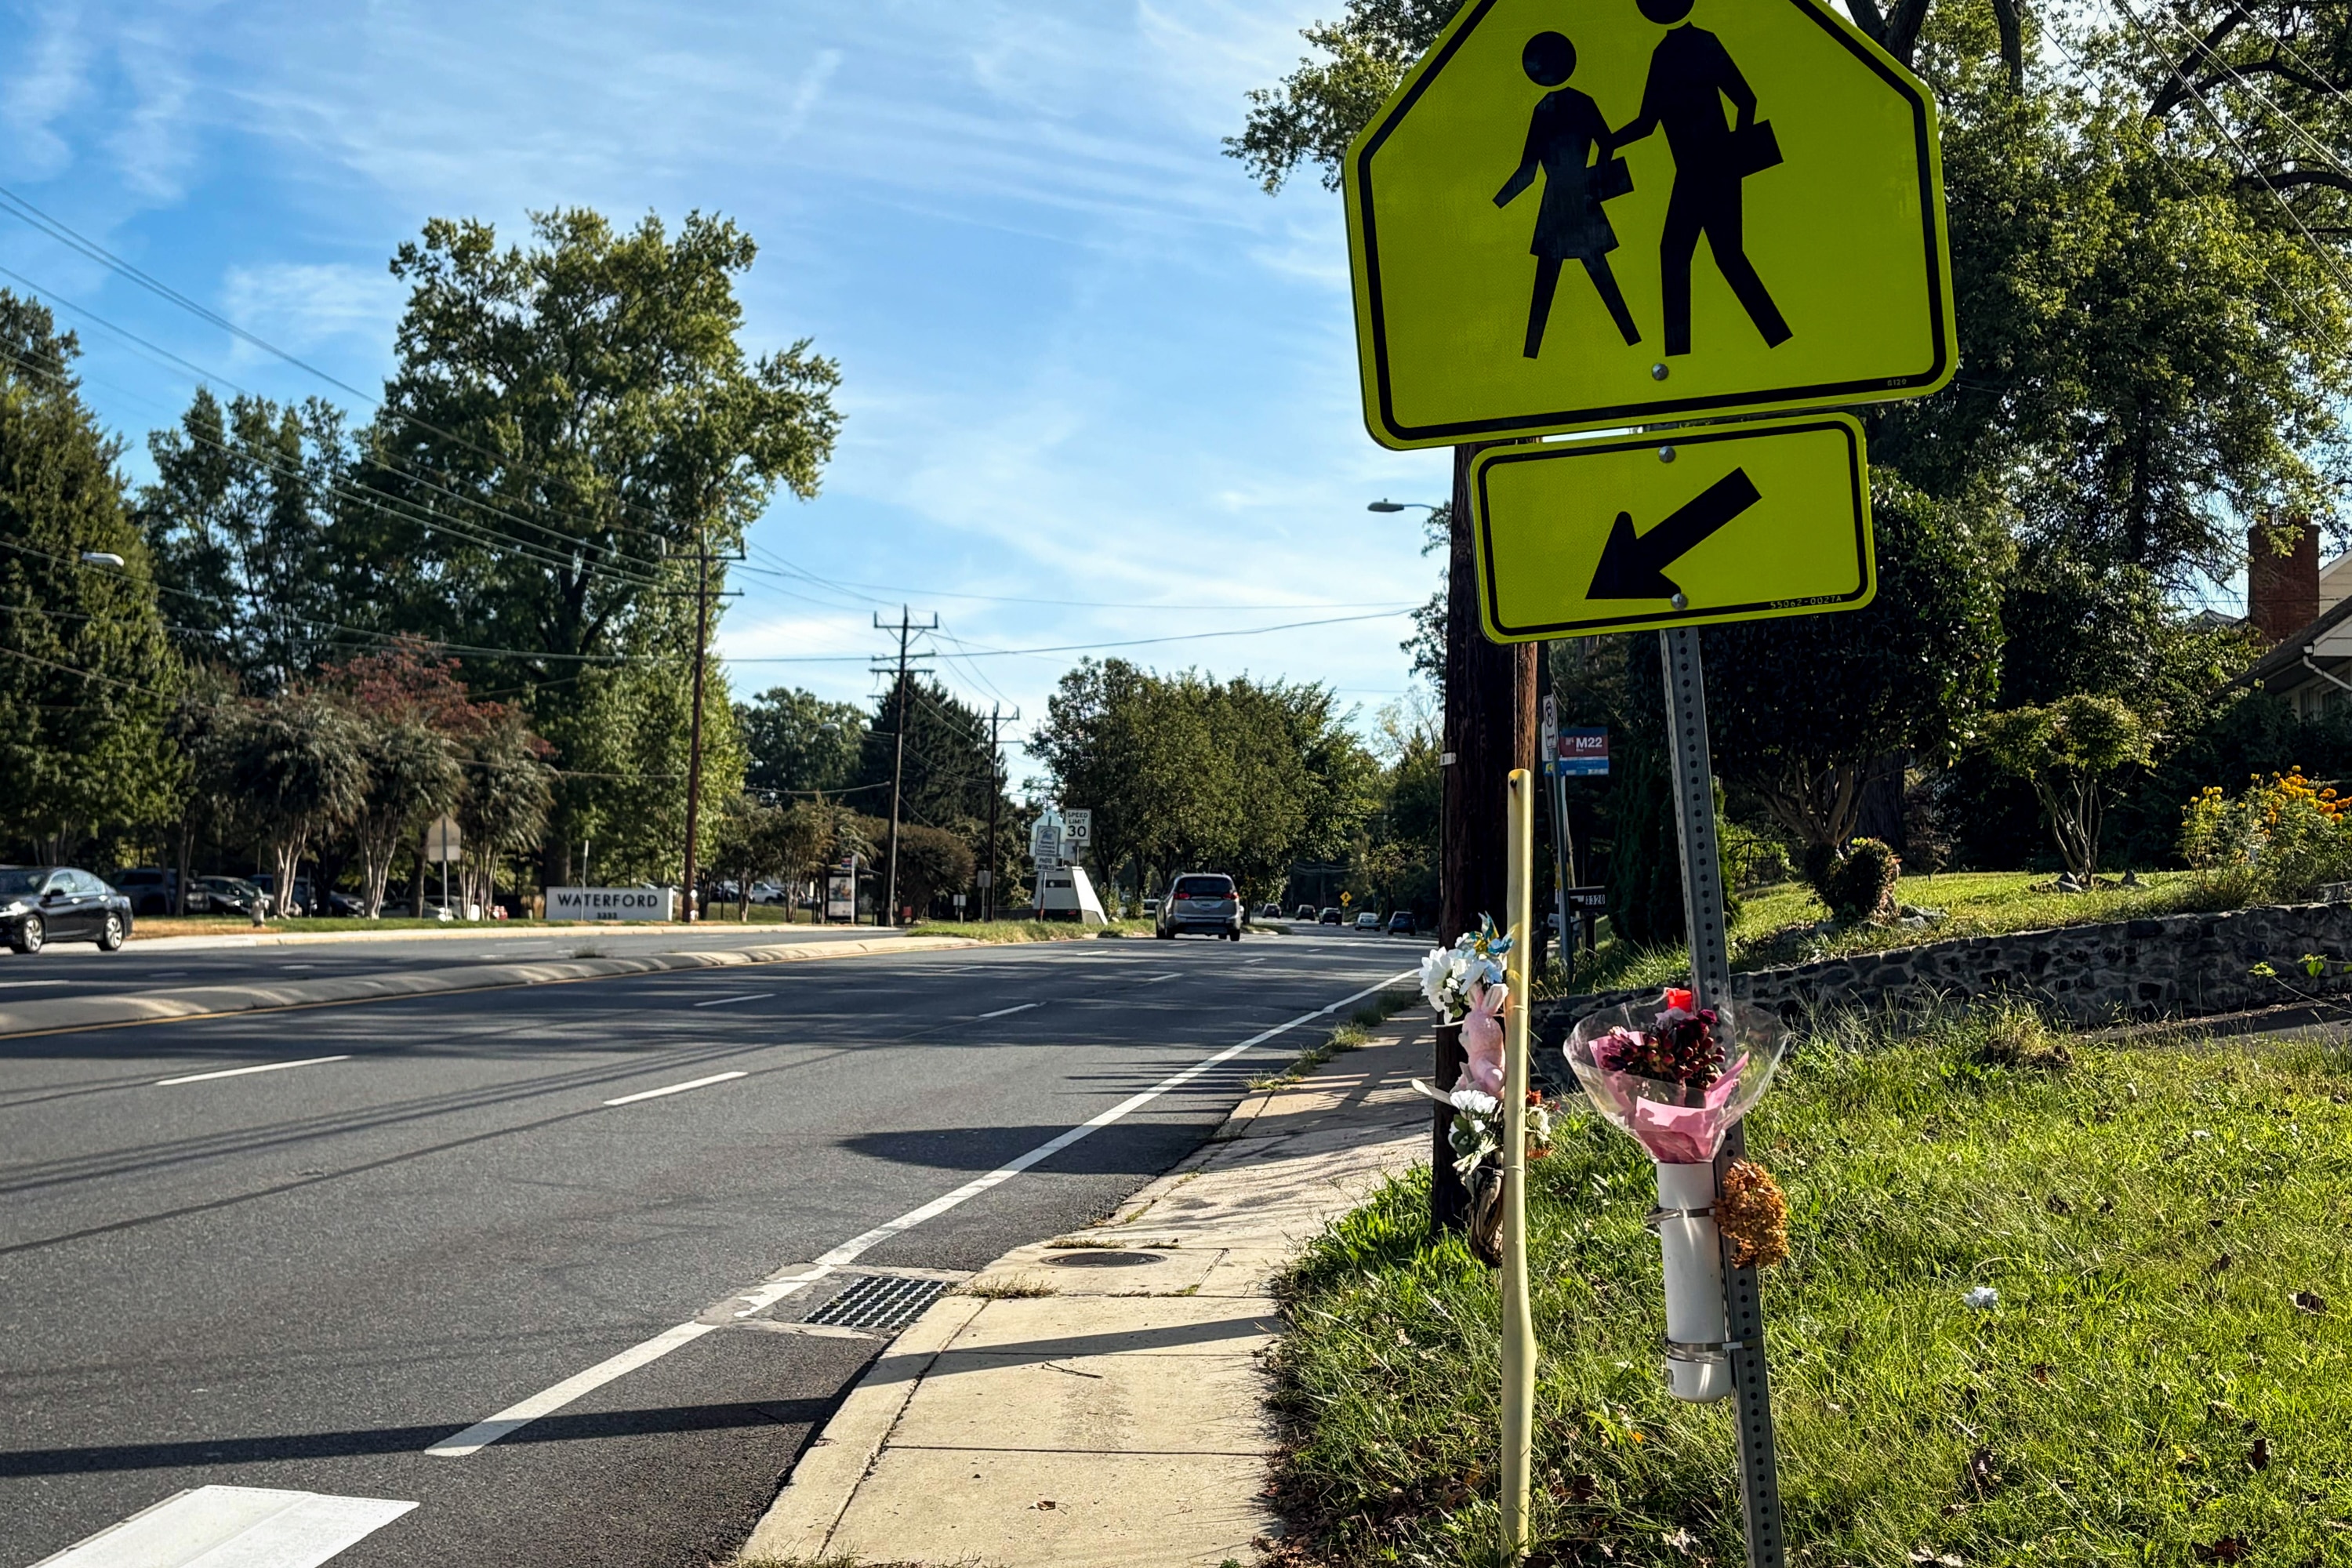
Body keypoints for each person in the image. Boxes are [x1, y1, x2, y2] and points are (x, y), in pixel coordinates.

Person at [1613, 0, 1791, 357]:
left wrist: (1735, 153)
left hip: (1709, 170)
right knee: (1707, 255)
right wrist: (1610, 141)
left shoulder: (1687, 48)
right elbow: (1649, 122)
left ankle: (1770, 340)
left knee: (1700, 255)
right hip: (1699, 172)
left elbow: (1744, 99)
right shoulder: (1672, 51)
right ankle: (1770, 338)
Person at [1494, 31, 1641, 358]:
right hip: (1579, 199)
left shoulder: (1545, 109)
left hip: (1561, 202)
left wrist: (1495, 204)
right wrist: (1596, 180)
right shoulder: (1578, 103)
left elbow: (1528, 172)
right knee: (1589, 273)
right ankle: (1632, 341)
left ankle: (1532, 354)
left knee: (1559, 279)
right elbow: (1607, 143)